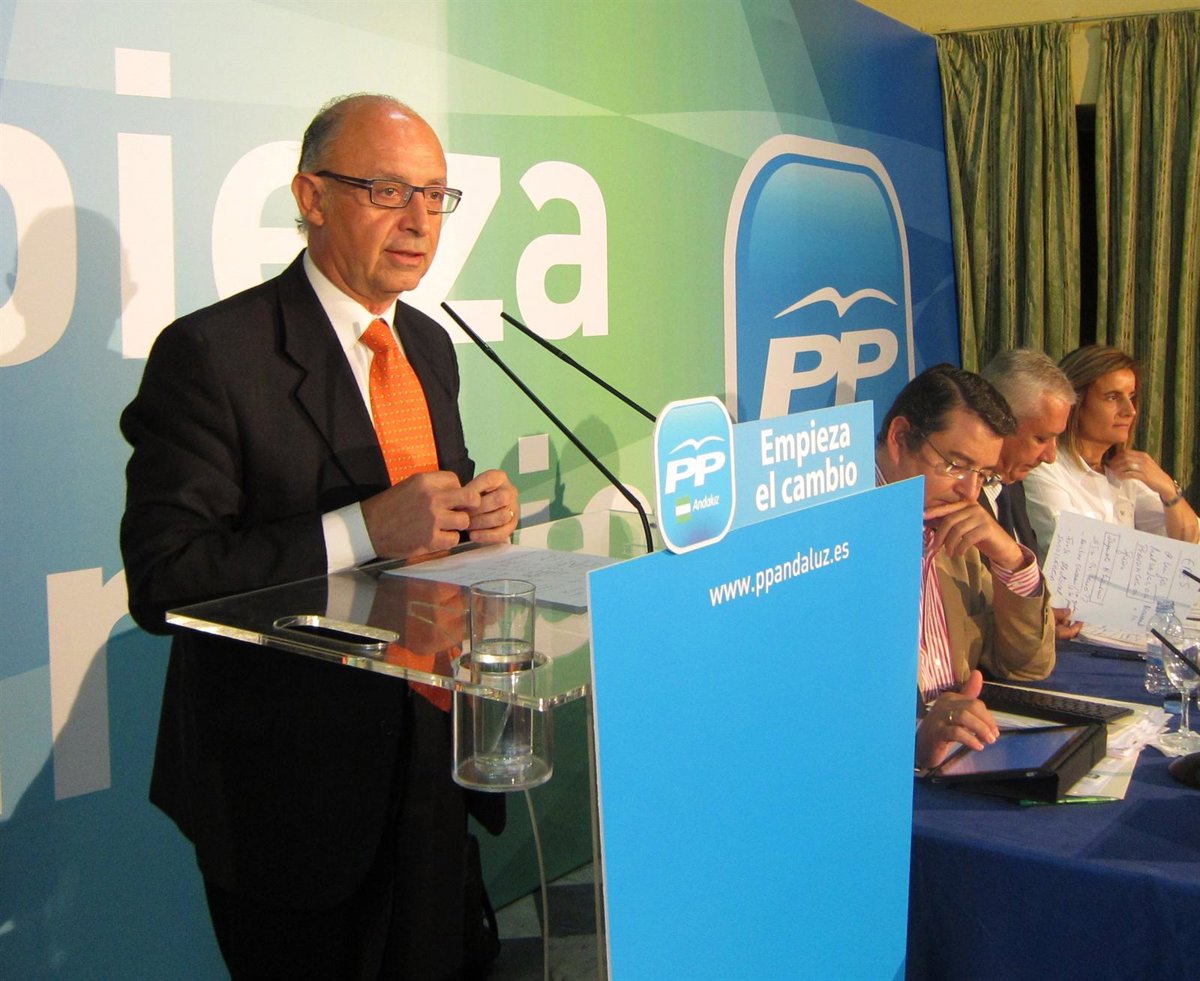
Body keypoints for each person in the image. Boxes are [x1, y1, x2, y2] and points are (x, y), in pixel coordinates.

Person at [120, 94, 518, 979]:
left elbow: (429, 517)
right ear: (311, 197)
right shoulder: (213, 354)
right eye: (388, 190)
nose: (419, 221)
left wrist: (477, 520)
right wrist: (359, 528)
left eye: (436, 196)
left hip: (433, 760)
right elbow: (164, 576)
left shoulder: (429, 344)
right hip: (290, 797)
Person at [874, 364, 1055, 770]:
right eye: (956, 465)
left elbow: (1026, 664)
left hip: (955, 759)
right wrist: (915, 739)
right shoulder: (831, 541)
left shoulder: (959, 533)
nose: (970, 492)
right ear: (900, 438)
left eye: (983, 475)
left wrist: (1010, 559)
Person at [1023, 344, 1199, 557]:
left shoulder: (1126, 473)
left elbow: (1190, 546)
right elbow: (1071, 551)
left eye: (1131, 397)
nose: (1130, 411)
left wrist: (1168, 489)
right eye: (1113, 397)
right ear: (1075, 403)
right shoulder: (1045, 467)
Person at [979, 348, 1082, 640]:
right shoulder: (952, 499)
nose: (1050, 456)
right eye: (1041, 438)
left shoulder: (1012, 484)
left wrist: (1040, 619)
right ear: (998, 421)